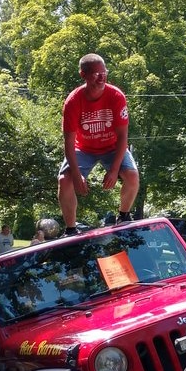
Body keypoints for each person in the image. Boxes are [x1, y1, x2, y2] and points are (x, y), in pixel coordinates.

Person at [58, 53, 140, 235]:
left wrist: (113, 170)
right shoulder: (73, 101)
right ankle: (70, 229)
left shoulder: (116, 96)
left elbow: (123, 137)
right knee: (65, 180)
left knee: (132, 176)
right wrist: (78, 175)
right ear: (83, 75)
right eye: (96, 74)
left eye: (104, 72)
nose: (102, 77)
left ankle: (124, 215)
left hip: (112, 147)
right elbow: (69, 142)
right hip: (84, 148)